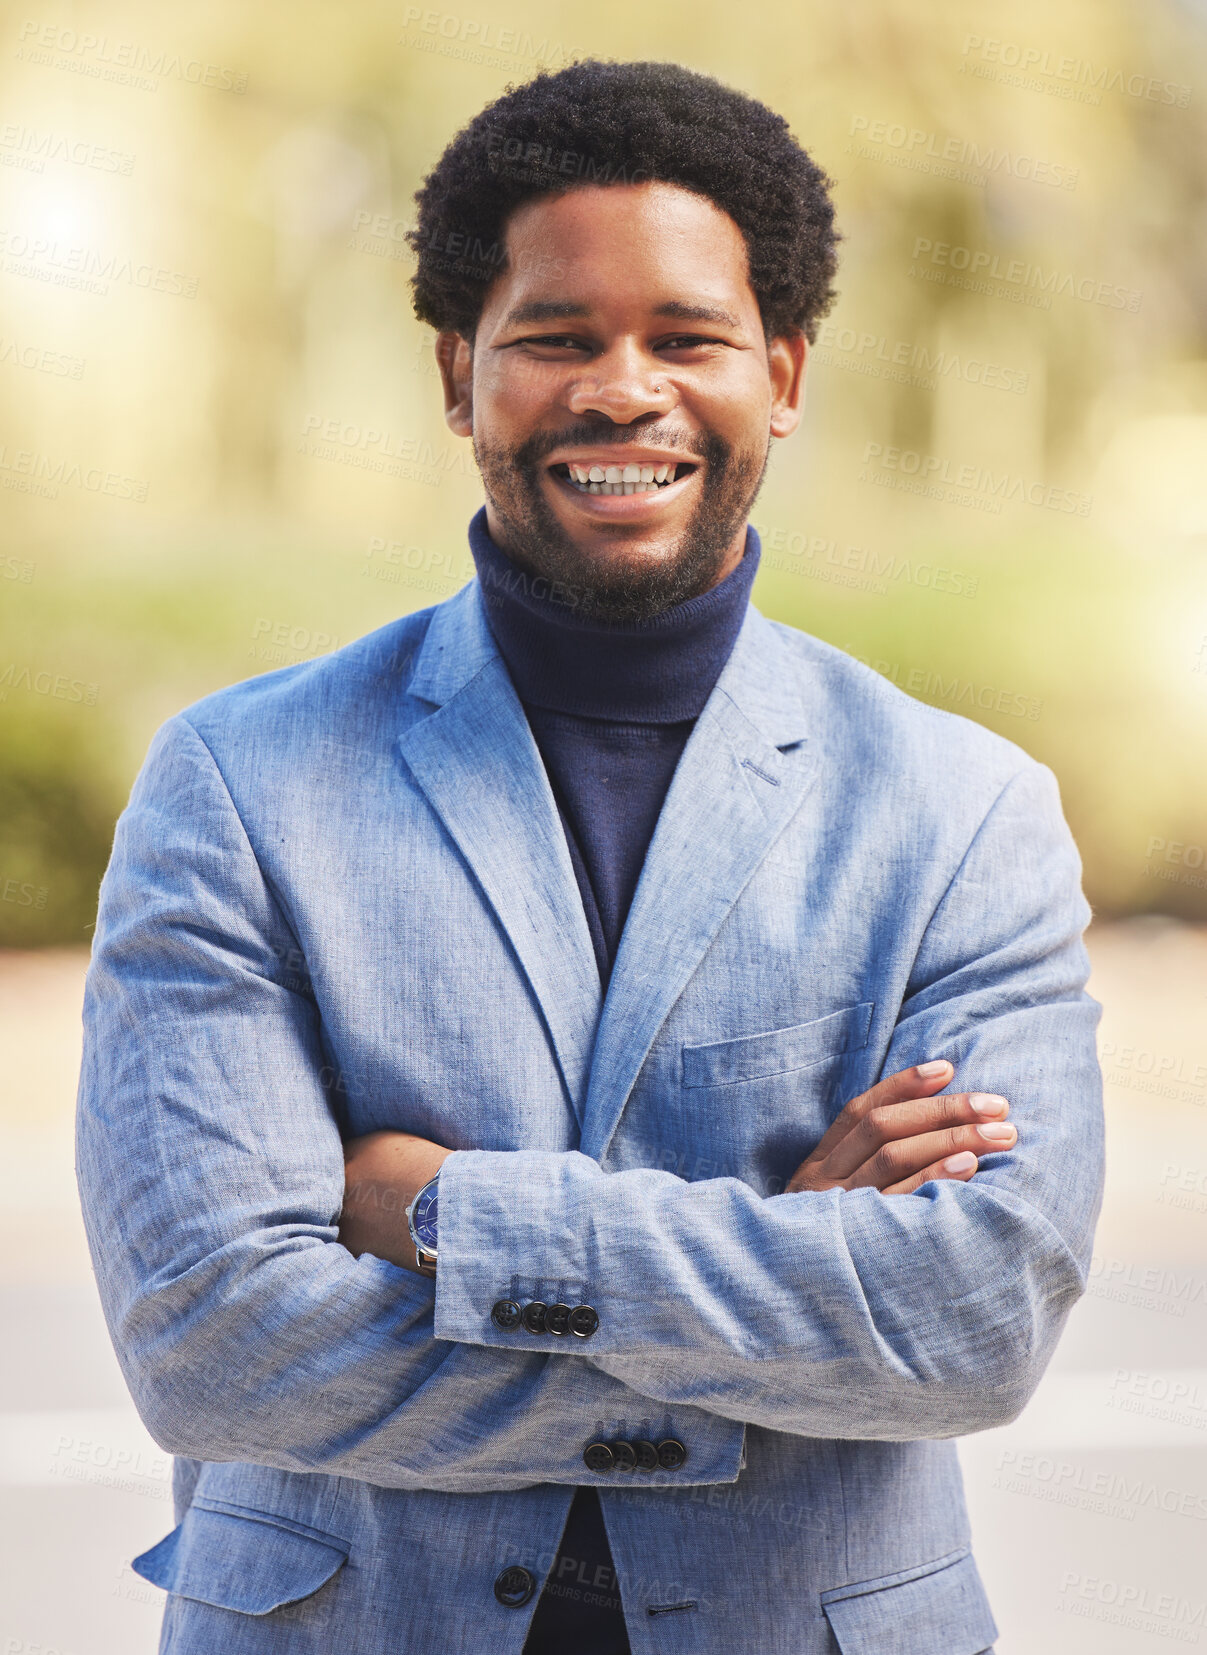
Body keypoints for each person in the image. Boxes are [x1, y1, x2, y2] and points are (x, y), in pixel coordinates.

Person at [76, 60, 1104, 1655]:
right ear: (456, 370)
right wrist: (784, 1273)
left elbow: (972, 1321)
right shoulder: (236, 785)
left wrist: (445, 1218)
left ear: (782, 369)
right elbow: (217, 1348)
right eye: (557, 337)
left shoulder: (962, 811)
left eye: (685, 338)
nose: (622, 390)